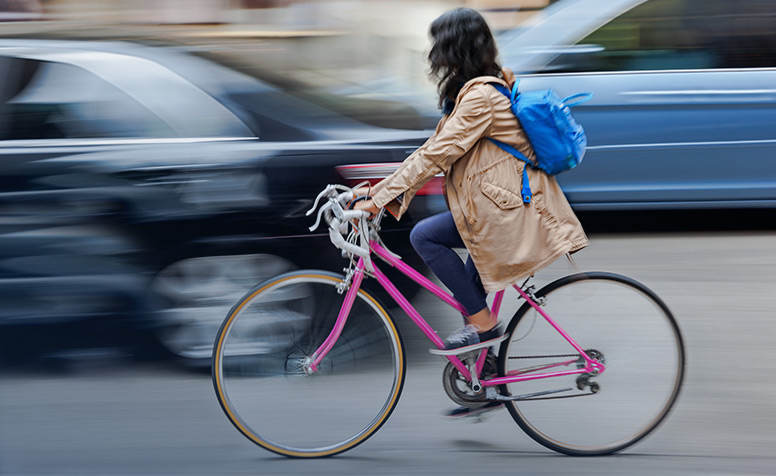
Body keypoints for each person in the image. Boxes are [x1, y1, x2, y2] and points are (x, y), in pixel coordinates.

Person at [354, 7, 589, 415]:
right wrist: (374, 192)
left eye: (438, 45)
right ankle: (482, 375)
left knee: (424, 237)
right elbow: (429, 151)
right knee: (466, 278)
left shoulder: (480, 97)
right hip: (498, 209)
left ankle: (483, 327)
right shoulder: (474, 93)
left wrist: (378, 200)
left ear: (454, 48)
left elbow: (435, 155)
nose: (433, 54)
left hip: (511, 213)